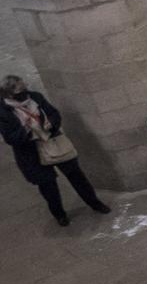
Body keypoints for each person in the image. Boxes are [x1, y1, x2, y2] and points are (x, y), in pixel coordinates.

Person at [0, 77, 110, 227]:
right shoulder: (3, 111)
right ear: (10, 95)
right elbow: (10, 137)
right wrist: (28, 128)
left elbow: (54, 114)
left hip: (53, 142)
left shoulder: (36, 97)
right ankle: (59, 214)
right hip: (30, 153)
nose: (25, 94)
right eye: (20, 92)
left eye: (25, 89)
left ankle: (94, 203)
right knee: (48, 186)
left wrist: (49, 124)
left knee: (76, 175)